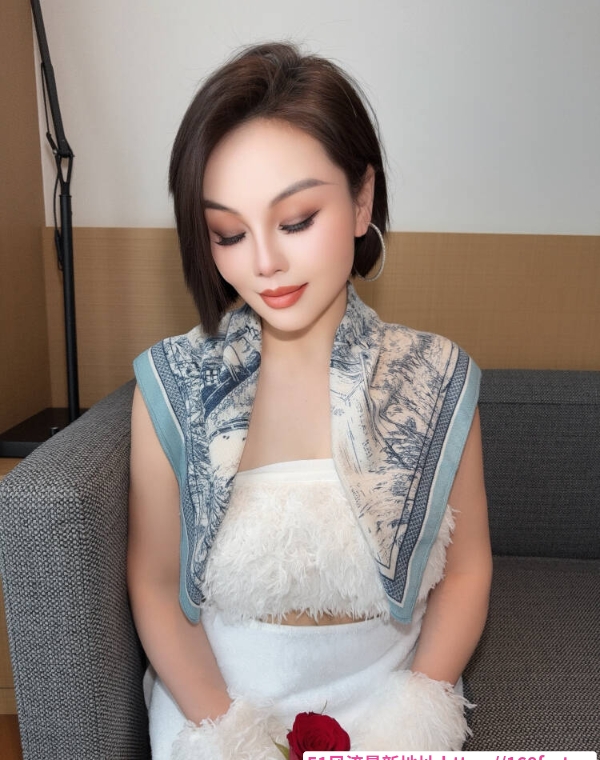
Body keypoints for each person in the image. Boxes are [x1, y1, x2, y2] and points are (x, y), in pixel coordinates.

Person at [128, 41, 492, 759]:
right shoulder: (174, 386)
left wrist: (413, 717)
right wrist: (231, 736)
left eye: (295, 220)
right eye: (229, 233)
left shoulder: (435, 378)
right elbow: (155, 583)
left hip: (387, 702)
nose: (264, 262)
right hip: (216, 708)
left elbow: (468, 569)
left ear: (361, 199)